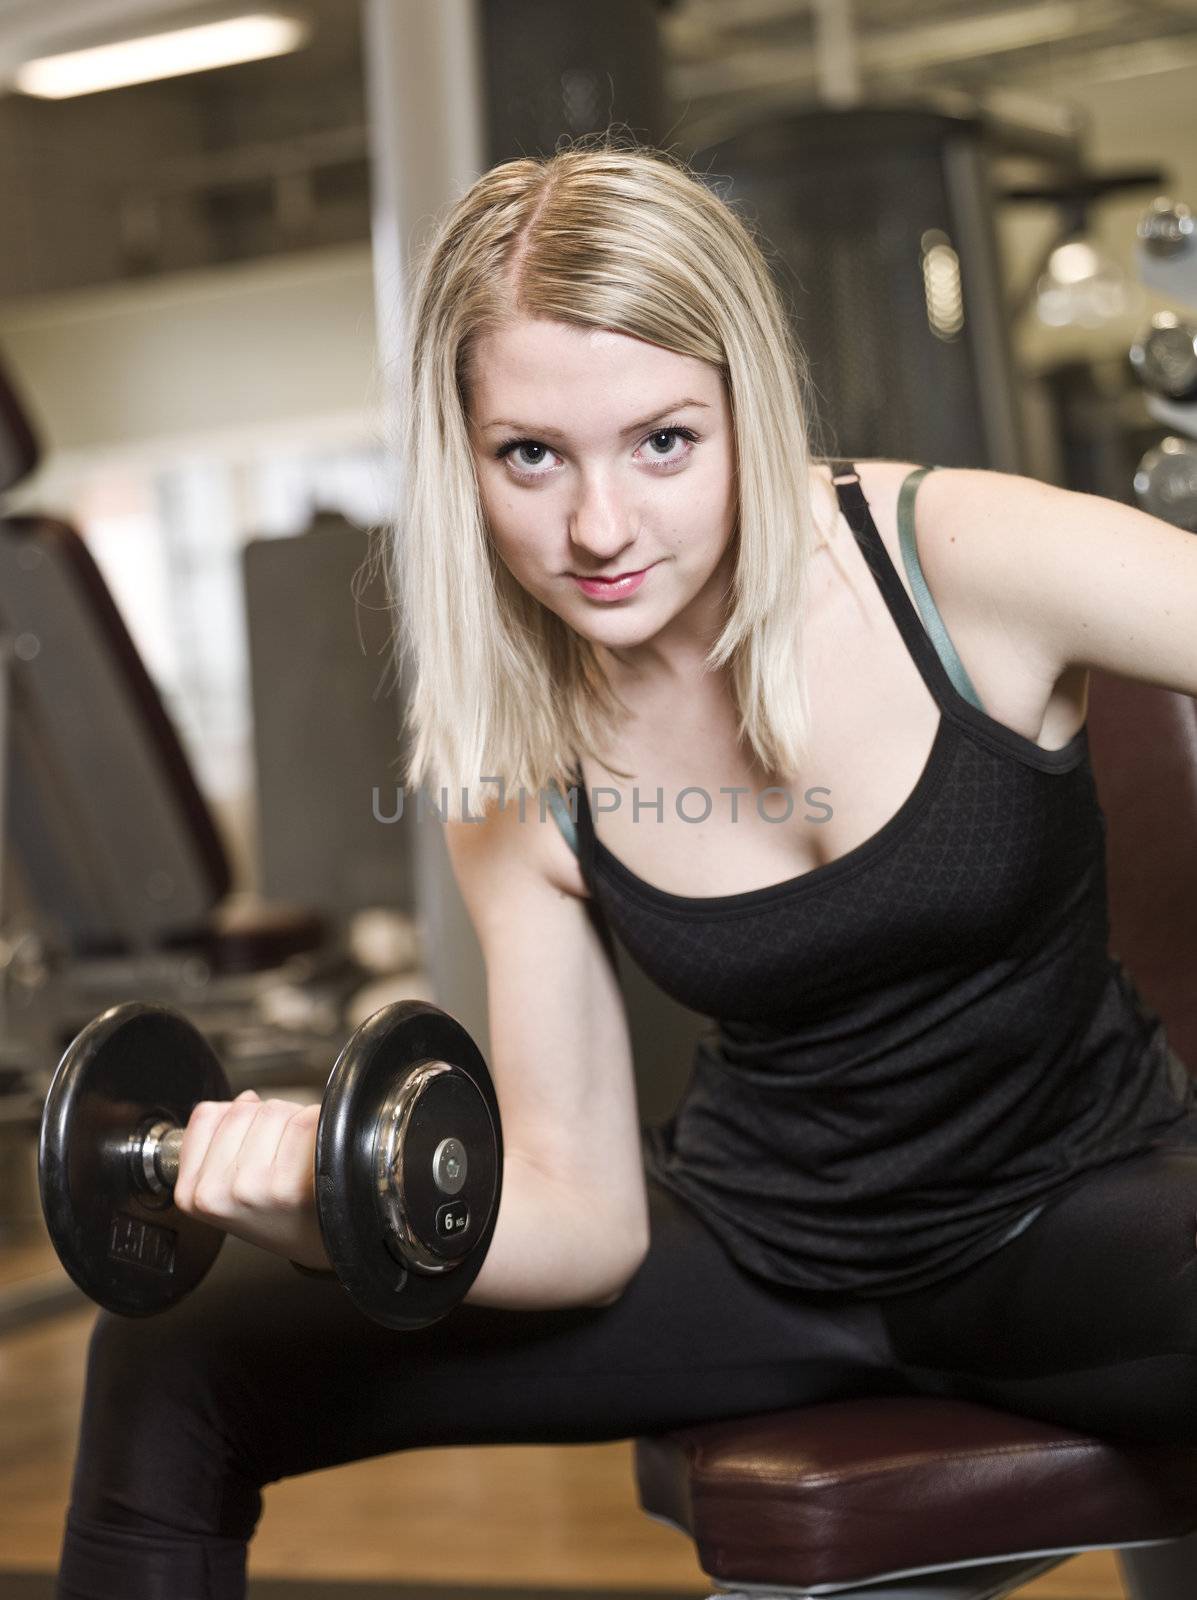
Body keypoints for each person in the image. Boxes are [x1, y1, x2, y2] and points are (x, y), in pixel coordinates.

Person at [56, 136, 1197, 1600]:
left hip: (1072, 1221)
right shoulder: (518, 752)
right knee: (178, 1354)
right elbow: (585, 1224)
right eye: (531, 453)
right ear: (462, 450)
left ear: (746, 403)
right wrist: (338, 1209)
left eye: (663, 441)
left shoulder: (961, 559)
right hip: (753, 1252)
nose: (597, 529)